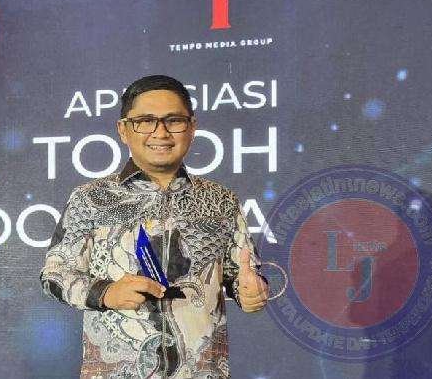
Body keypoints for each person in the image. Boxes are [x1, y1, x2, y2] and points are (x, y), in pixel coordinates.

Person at [40, 75, 269, 378]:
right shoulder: (90, 199)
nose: (161, 132)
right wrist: (105, 293)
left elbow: (241, 278)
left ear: (192, 127)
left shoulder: (221, 200)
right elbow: (55, 275)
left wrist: (250, 292)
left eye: (174, 120)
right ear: (123, 129)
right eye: (145, 121)